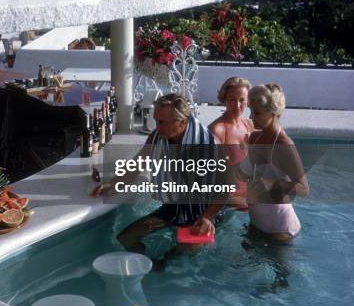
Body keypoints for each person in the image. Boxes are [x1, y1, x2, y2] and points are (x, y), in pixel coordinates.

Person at [92, 94, 229, 258]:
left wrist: (207, 218)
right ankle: (147, 265)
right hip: (174, 208)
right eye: (156, 121)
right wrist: (114, 183)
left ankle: (164, 264)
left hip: (203, 213)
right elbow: (137, 164)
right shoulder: (158, 137)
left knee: (185, 250)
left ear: (182, 122)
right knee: (126, 238)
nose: (157, 127)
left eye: (162, 122)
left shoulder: (208, 146)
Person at [245, 83, 309, 242]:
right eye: (251, 111)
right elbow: (250, 177)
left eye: (257, 112)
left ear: (273, 113)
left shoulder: (284, 145)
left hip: (281, 230)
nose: (251, 117)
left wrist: (272, 183)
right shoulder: (254, 138)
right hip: (256, 222)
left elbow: (304, 189)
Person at [209, 77, 253, 210]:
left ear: (248, 100)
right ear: (224, 99)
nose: (238, 105)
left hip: (247, 194)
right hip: (226, 198)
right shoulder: (218, 130)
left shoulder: (249, 125)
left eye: (242, 99)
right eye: (232, 99)